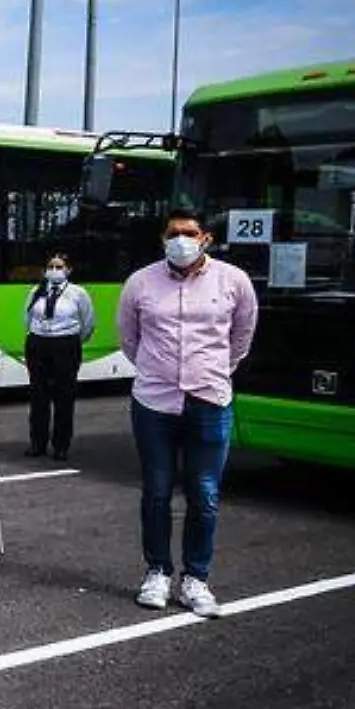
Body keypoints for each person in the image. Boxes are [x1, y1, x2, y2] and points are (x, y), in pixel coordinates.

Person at [117, 208, 258, 619]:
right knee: (156, 492)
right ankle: (157, 572)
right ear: (163, 238)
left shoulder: (233, 281)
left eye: (190, 232)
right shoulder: (141, 282)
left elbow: (242, 337)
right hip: (154, 403)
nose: (182, 239)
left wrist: (210, 373)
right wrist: (158, 370)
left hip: (210, 400)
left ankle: (196, 578)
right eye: (174, 233)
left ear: (206, 238)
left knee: (206, 495)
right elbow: (130, 339)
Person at [24, 252, 96, 460]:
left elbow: (88, 322)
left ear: (68, 270)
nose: (54, 271)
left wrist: (70, 339)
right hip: (38, 343)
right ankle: (37, 442)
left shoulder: (78, 293)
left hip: (66, 345)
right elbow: (27, 317)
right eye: (51, 267)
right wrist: (38, 334)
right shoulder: (37, 291)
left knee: (64, 396)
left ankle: (61, 445)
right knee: (38, 396)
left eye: (59, 266)